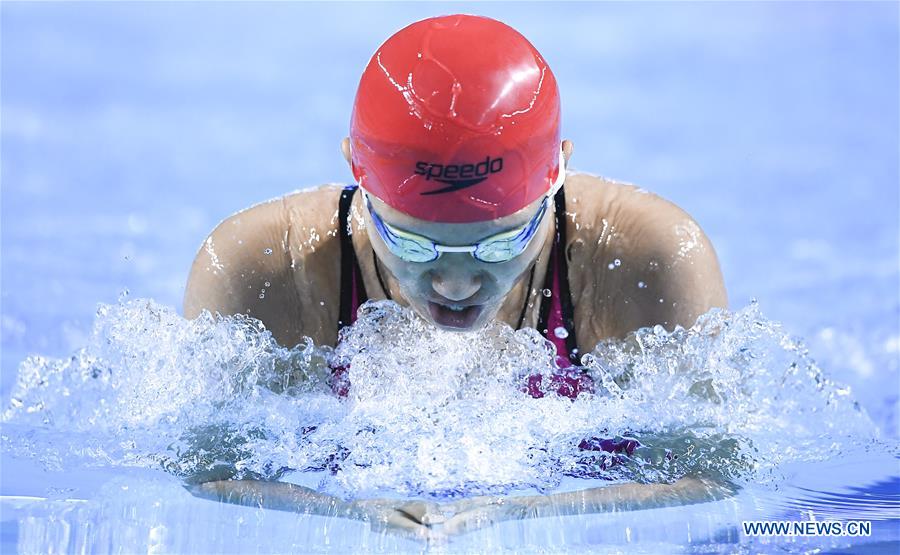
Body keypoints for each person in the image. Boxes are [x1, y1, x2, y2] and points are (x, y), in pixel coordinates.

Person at [183, 14, 731, 539]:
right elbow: (205, 473)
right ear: (355, 170)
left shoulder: (646, 260)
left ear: (557, 173)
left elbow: (713, 478)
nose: (455, 286)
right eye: (412, 242)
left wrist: (526, 515)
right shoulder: (263, 271)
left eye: (501, 243)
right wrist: (347, 516)